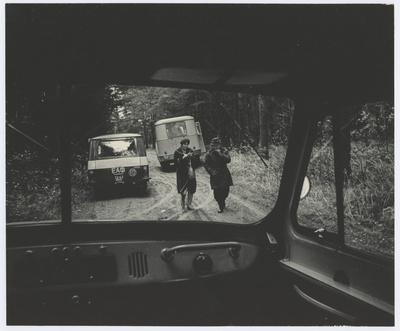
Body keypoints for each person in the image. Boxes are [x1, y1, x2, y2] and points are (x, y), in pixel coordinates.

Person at [204, 137, 233, 213]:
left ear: (219, 145)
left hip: (224, 174)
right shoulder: (209, 154)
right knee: (217, 193)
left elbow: (228, 160)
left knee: (225, 191)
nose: (215, 147)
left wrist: (220, 154)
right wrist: (211, 171)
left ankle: (222, 202)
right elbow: (206, 164)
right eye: (213, 145)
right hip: (215, 175)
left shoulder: (224, 151)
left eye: (217, 145)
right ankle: (221, 206)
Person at [174, 138, 196, 210]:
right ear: (181, 144)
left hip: (190, 172)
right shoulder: (177, 152)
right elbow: (175, 163)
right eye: (184, 144)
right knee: (183, 189)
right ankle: (183, 202)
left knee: (191, 188)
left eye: (187, 144)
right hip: (182, 173)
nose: (186, 146)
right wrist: (183, 158)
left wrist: (191, 157)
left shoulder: (190, 151)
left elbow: (195, 161)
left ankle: (189, 204)